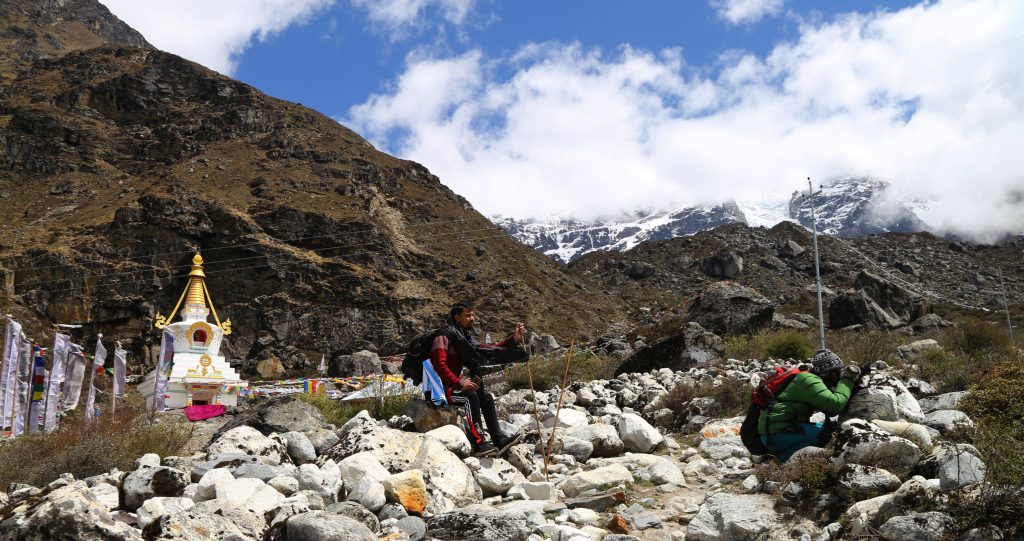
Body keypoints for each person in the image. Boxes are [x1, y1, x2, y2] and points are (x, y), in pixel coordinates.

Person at [430, 303, 530, 457]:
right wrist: (459, 383)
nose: (473, 319)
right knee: (470, 397)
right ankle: (479, 444)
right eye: (468, 316)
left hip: (453, 386)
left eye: (473, 315)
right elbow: (438, 364)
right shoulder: (443, 335)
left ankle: (499, 440)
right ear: (457, 317)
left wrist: (514, 339)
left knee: (486, 398)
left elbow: (486, 349)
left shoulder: (463, 337)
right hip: (438, 390)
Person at [758, 349, 862, 462]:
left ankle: (779, 453)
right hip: (776, 434)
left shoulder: (808, 378)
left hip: (776, 430)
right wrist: (847, 379)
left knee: (829, 429)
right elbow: (835, 405)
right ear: (830, 372)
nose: (839, 376)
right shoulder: (808, 380)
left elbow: (830, 409)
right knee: (825, 435)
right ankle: (783, 459)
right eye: (838, 372)